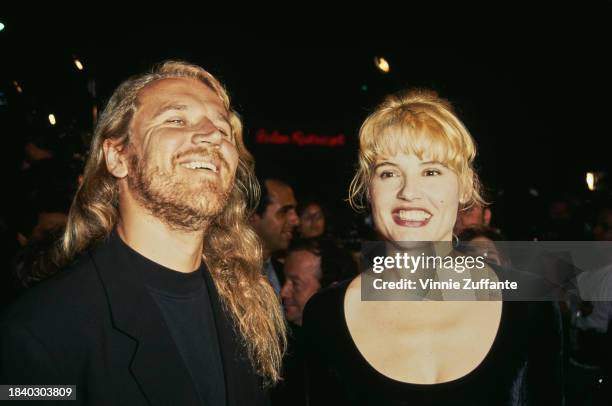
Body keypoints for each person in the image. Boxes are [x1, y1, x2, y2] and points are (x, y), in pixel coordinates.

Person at [0, 61, 286, 405]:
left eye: (223, 130)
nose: (213, 135)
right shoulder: (42, 331)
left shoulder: (245, 308)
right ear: (117, 156)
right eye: (176, 119)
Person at [303, 89, 564, 405]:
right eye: (388, 172)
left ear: (464, 187)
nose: (409, 191)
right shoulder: (325, 316)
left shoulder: (530, 305)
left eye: (431, 171)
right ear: (368, 190)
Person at [250, 177, 300, 294]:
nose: (296, 220)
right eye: (284, 211)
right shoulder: (223, 274)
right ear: (253, 215)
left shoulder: (283, 273)